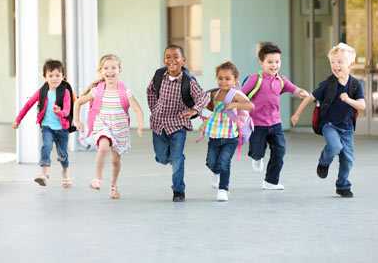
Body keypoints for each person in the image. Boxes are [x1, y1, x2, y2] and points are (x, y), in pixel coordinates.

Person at [291, 43, 365, 198]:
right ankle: (324, 162)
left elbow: (362, 105)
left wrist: (348, 100)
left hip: (347, 128)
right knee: (335, 146)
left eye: (340, 62)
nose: (335, 65)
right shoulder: (328, 84)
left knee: (348, 159)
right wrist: (297, 114)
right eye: (333, 62)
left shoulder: (355, 84)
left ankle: (342, 186)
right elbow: (310, 97)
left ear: (350, 64)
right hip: (329, 125)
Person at [73, 54, 144, 199]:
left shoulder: (124, 90)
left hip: (120, 128)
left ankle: (113, 186)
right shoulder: (97, 90)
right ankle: (97, 179)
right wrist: (77, 120)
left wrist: (140, 126)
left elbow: (137, 108)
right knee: (103, 147)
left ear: (119, 69)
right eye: (106, 68)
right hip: (103, 124)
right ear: (101, 71)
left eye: (113, 67)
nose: (110, 71)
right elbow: (78, 102)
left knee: (115, 161)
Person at [242, 42, 309, 190]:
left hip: (275, 123)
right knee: (257, 151)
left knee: (280, 151)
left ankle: (271, 181)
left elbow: (294, 89)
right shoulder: (255, 79)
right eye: (270, 62)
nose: (274, 65)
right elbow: (241, 94)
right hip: (257, 124)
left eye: (277, 62)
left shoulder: (281, 80)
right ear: (262, 62)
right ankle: (256, 157)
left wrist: (302, 93)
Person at [147, 44, 209, 202]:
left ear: (183, 61)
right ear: (164, 60)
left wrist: (195, 110)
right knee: (161, 157)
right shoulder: (159, 75)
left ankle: (178, 191)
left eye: (176, 57)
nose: (172, 60)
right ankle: (169, 158)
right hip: (158, 123)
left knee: (177, 157)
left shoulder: (188, 81)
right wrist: (154, 108)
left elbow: (204, 97)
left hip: (177, 124)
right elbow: (151, 91)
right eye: (168, 57)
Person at [13, 59, 74, 188]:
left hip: (62, 128)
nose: (54, 78)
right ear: (45, 77)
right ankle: (44, 175)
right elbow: (28, 104)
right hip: (47, 127)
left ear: (63, 76)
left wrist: (60, 112)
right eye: (50, 75)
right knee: (46, 146)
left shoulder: (65, 92)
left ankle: (65, 172)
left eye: (58, 75)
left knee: (62, 154)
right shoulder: (42, 91)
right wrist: (18, 119)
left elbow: (67, 110)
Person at [202, 61, 253, 201]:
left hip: (230, 136)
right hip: (215, 135)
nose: (223, 81)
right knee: (211, 162)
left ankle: (223, 189)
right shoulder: (215, 94)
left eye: (227, 78)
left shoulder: (235, 94)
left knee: (224, 162)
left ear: (235, 80)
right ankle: (216, 173)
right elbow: (214, 109)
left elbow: (251, 106)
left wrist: (236, 104)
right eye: (220, 78)